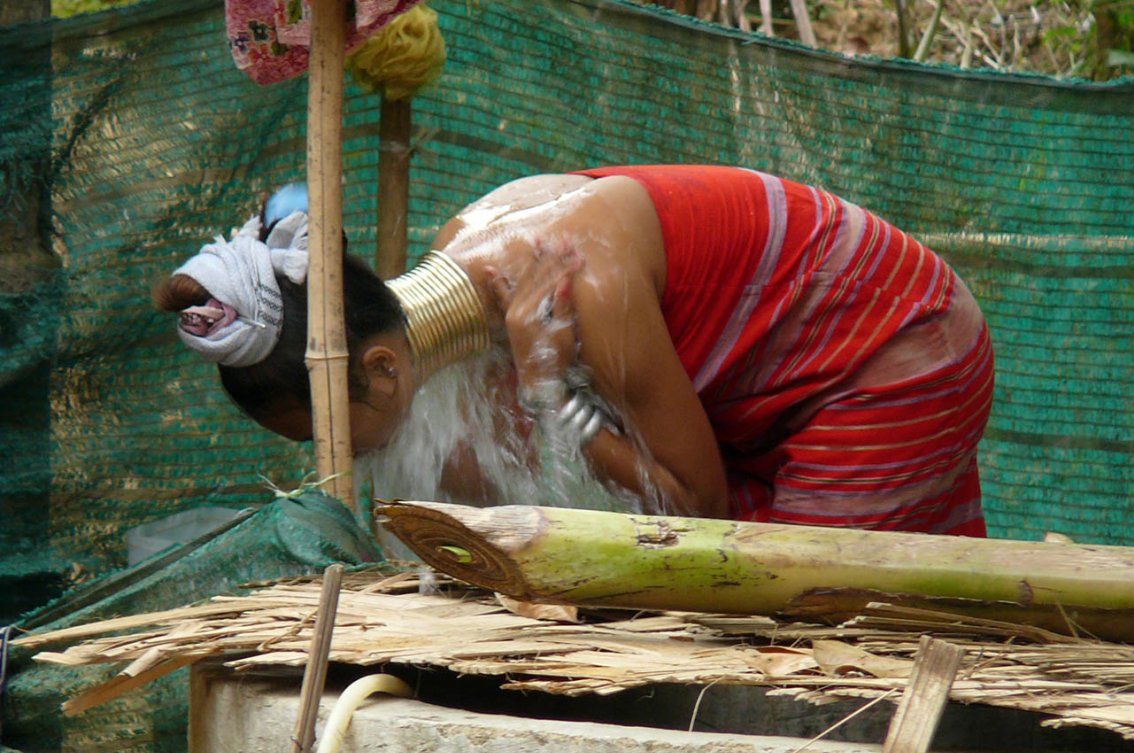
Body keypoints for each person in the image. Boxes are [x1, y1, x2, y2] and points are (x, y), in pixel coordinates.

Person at [157, 165, 994, 536]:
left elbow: (695, 513)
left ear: (381, 370)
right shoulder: (459, 259)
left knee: (793, 602)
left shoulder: (579, 288)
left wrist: (556, 391)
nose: (331, 459)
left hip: (894, 353)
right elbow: (490, 483)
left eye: (321, 436)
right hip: (768, 386)